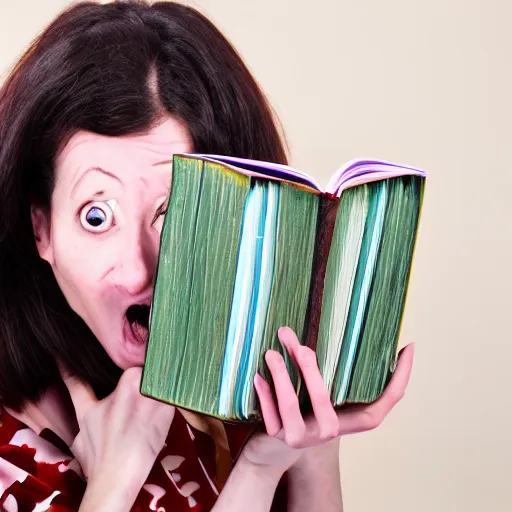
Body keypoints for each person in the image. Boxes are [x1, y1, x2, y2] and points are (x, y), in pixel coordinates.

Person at [0, 1, 415, 511]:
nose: (139, 271)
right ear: (41, 228)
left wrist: (299, 455)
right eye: (96, 216)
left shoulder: (233, 393)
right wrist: (114, 483)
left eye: (173, 214)